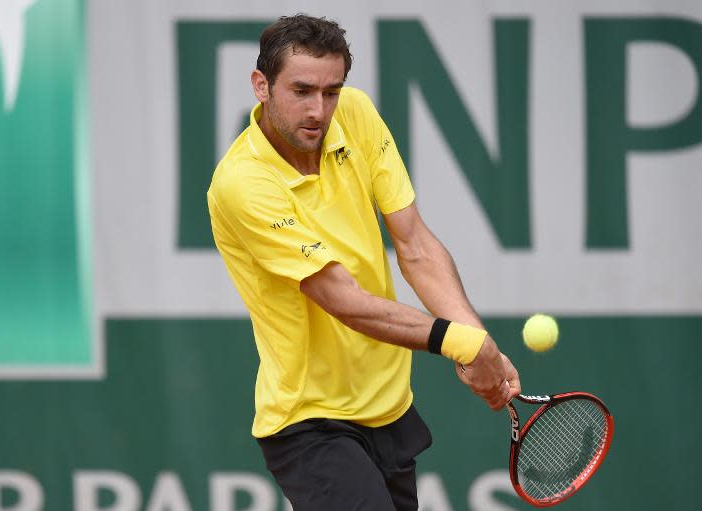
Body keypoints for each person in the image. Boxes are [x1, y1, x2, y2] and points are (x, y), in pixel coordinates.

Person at [207, 13, 521, 511]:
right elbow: (342, 300)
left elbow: (414, 244)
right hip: (310, 421)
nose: (319, 109)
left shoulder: (355, 114)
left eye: (331, 91)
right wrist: (459, 342)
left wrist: (479, 343)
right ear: (261, 85)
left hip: (389, 407)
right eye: (302, 90)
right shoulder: (243, 183)